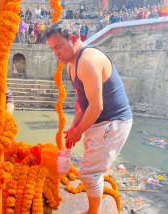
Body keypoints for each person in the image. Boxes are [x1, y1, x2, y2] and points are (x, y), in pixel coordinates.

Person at [45, 20, 132, 214]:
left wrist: (79, 132)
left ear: (73, 39)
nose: (55, 53)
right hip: (98, 119)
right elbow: (81, 102)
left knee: (89, 172)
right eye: (52, 49)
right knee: (90, 168)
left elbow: (97, 106)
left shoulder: (87, 60)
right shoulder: (70, 64)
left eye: (58, 47)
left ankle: (93, 212)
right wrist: (75, 126)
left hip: (112, 121)